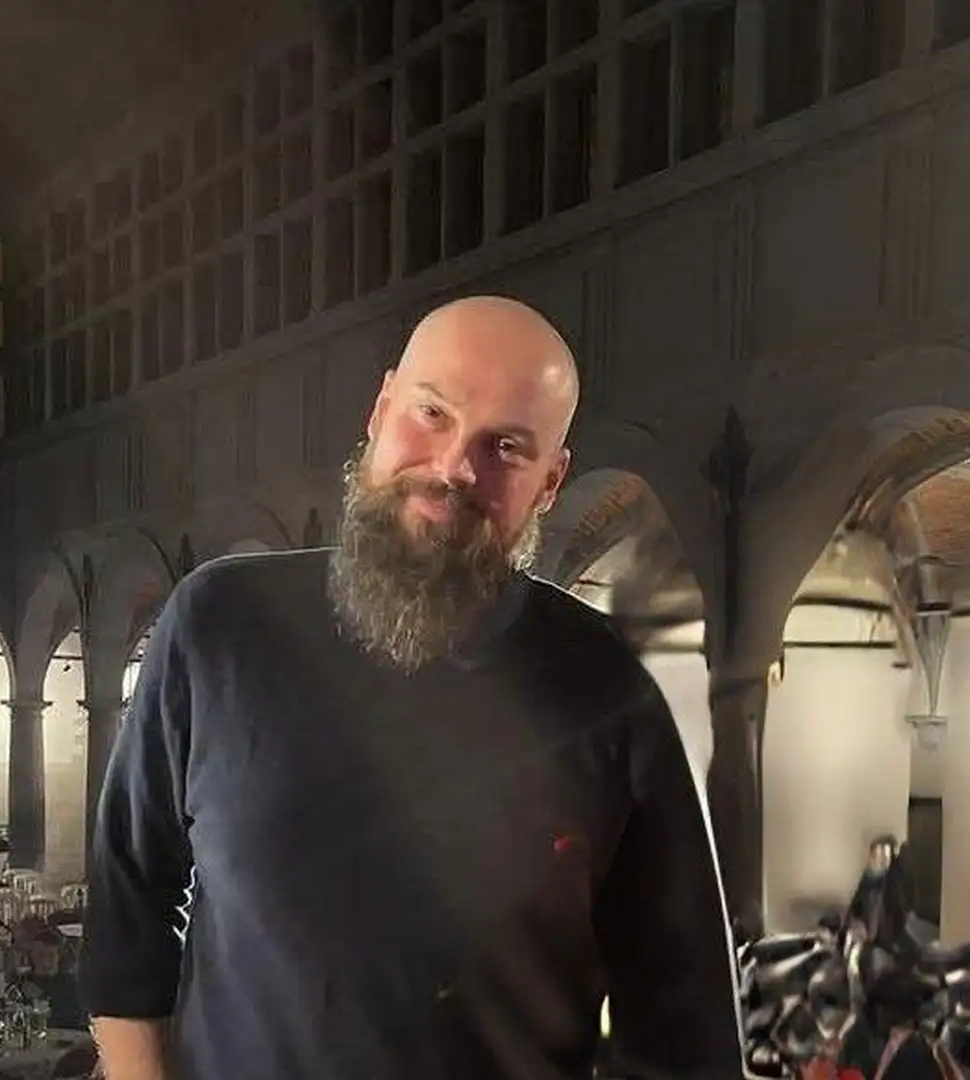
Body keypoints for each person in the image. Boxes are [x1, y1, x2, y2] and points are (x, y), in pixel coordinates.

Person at [80, 296, 743, 1080]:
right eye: (432, 413)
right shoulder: (219, 623)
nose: (456, 468)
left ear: (550, 482)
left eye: (506, 447)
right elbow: (128, 909)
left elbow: (684, 1037)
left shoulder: (609, 692)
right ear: (380, 409)